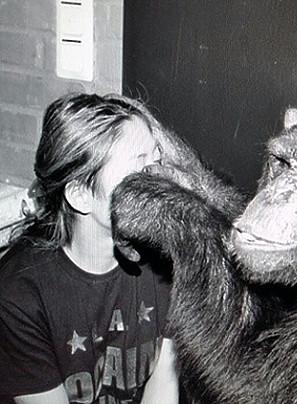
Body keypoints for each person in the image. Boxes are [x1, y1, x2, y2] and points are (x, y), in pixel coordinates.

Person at [0, 93, 180, 404]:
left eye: (157, 160)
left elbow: (164, 383)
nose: (165, 183)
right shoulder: (19, 296)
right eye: (141, 172)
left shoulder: (168, 258)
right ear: (81, 195)